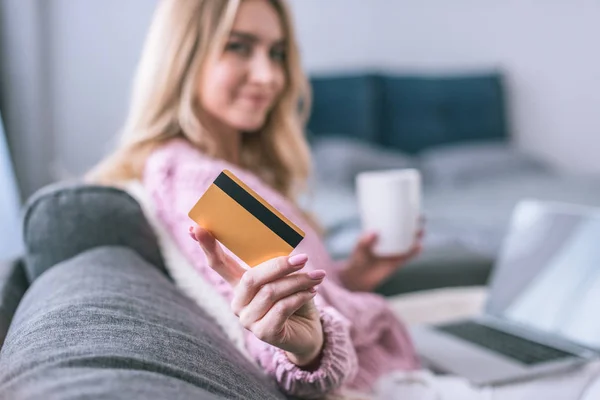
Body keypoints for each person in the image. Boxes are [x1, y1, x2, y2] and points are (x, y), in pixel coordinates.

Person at [88, 0, 600, 399]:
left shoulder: (227, 173)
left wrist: (354, 275)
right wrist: (309, 350)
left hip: (391, 359)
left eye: (278, 53)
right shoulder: (195, 179)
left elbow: (296, 291)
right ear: (184, 57)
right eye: (239, 46)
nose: (268, 76)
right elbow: (275, 333)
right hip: (380, 382)